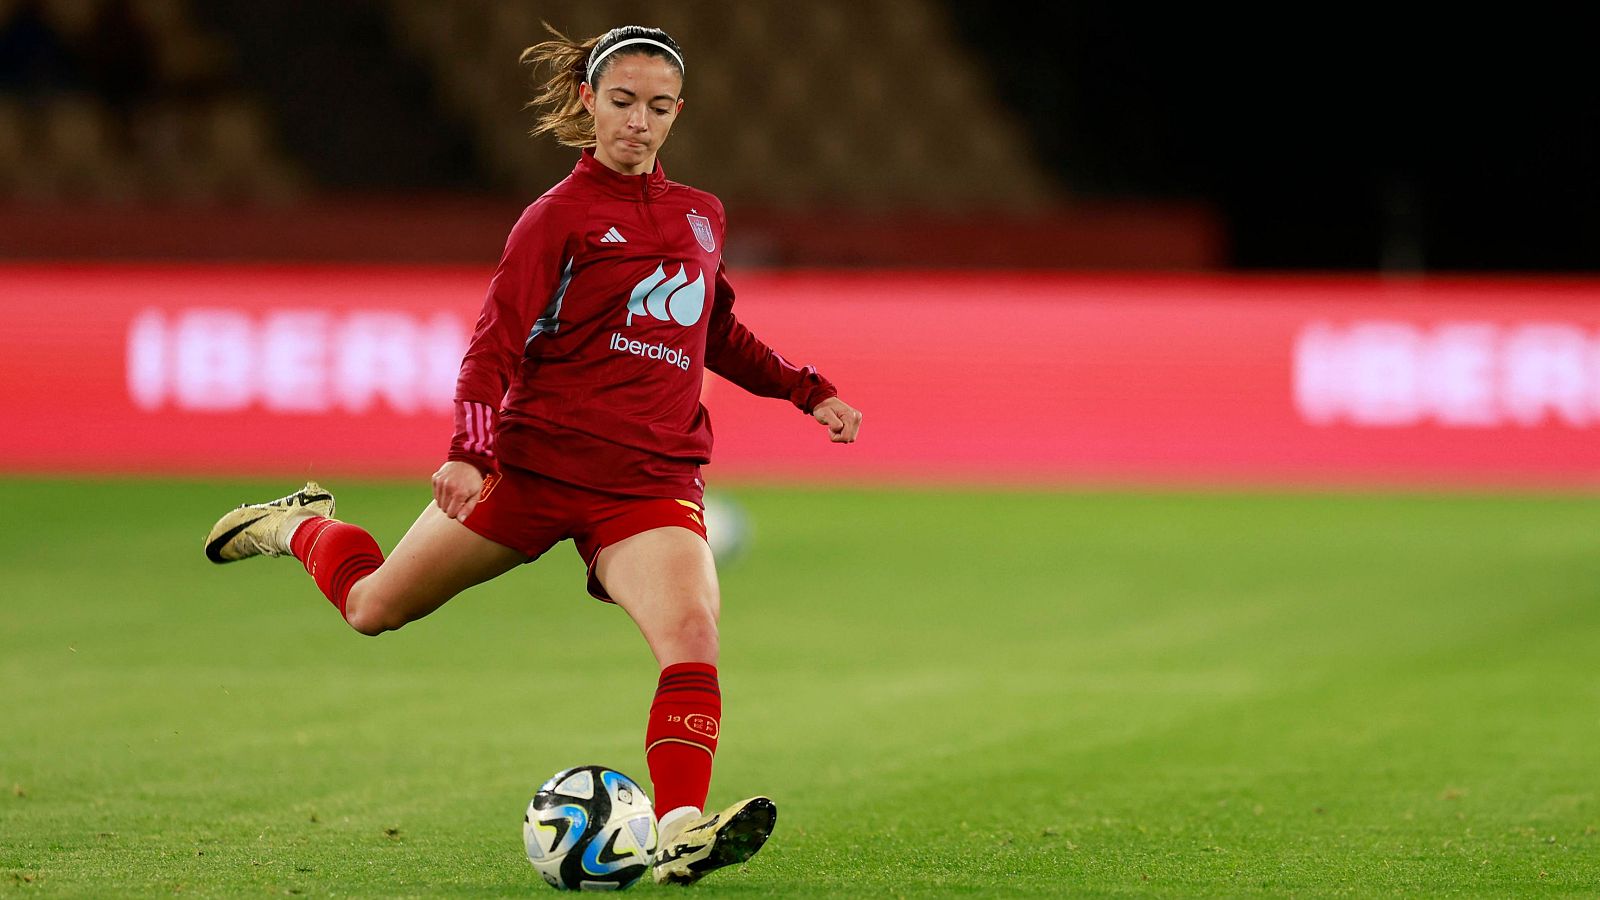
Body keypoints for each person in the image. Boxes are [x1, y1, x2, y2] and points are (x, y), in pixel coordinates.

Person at [203, 24, 862, 886]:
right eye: (622, 103)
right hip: (535, 469)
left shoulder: (701, 213)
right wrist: (470, 452)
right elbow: (493, 344)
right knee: (372, 609)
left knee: (692, 634)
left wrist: (807, 389)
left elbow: (716, 329)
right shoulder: (556, 218)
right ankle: (296, 527)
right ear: (589, 102)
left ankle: (682, 831)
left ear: (678, 113)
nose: (639, 122)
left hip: (650, 481)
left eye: (658, 108)